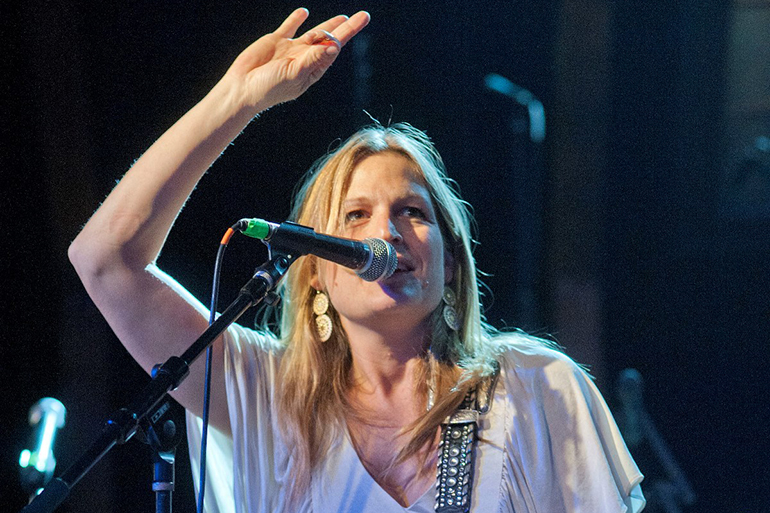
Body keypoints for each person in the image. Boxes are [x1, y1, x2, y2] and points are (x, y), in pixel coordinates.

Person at [68, 8, 645, 513]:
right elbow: (104, 259)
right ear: (314, 270)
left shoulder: (538, 388)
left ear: (451, 266)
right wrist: (237, 100)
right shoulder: (264, 394)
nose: (386, 234)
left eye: (413, 212)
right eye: (354, 216)